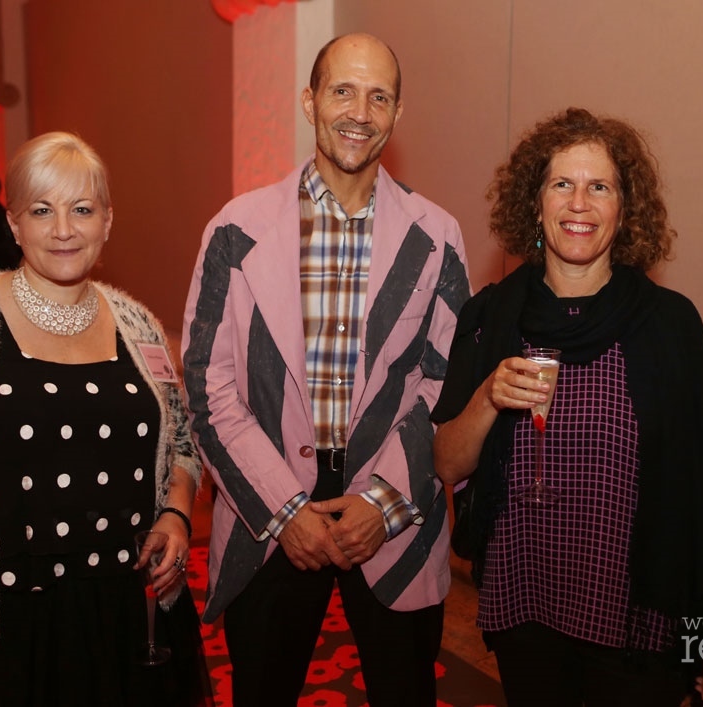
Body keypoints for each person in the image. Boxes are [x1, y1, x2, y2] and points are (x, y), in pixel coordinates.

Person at [0, 131, 213, 706]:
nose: (64, 230)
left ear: (108, 221)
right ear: (14, 224)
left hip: (127, 615)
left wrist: (175, 513)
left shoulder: (138, 323)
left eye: (82, 209)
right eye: (42, 211)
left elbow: (180, 440)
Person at [182, 33, 470, 706]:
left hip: (393, 503)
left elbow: (443, 383)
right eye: (343, 90)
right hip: (269, 497)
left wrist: (383, 502)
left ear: (398, 115)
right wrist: (285, 511)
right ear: (310, 101)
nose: (359, 112)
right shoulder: (236, 229)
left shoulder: (437, 236)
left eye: (379, 97)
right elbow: (207, 382)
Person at [431, 107, 703, 706]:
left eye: (599, 186)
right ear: (535, 203)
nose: (579, 203)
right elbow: (447, 465)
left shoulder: (671, 325)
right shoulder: (490, 317)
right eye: (562, 184)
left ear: (624, 210)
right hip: (526, 607)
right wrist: (487, 396)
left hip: (638, 625)